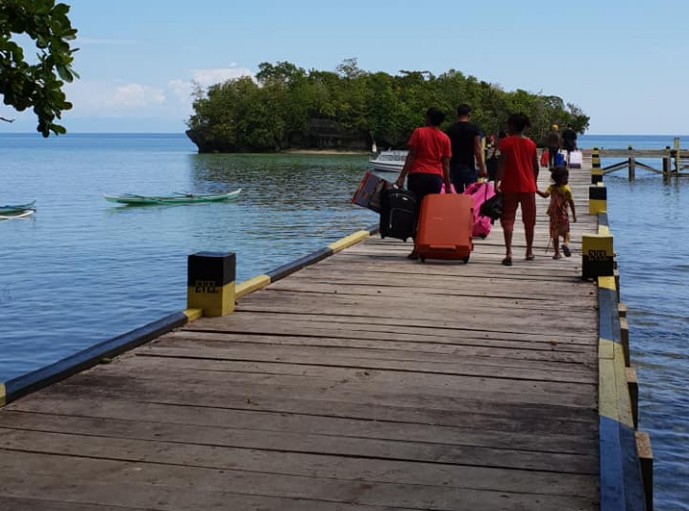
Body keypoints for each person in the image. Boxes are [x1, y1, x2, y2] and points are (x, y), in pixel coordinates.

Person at [395, 107, 452, 259]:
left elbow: (412, 155)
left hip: (417, 175)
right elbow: (446, 164)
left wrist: (401, 177)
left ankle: (416, 248)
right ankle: (426, 245)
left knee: (415, 212)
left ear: (427, 118)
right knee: (429, 213)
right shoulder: (445, 138)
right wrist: (447, 185)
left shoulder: (419, 132)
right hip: (435, 178)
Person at [495, 113, 539, 266]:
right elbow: (536, 167)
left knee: (507, 219)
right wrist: (535, 182)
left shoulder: (504, 143)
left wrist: (496, 183)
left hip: (509, 186)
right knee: (529, 220)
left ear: (511, 125)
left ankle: (509, 252)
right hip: (528, 187)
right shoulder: (531, 144)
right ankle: (529, 250)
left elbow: (501, 165)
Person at [445, 104, 487, 192]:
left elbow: (446, 150)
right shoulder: (474, 129)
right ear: (469, 114)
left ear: (457, 114)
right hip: (469, 165)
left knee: (456, 195)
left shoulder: (450, 129)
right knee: (471, 194)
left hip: (454, 166)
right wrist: (482, 167)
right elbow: (477, 149)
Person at [538, 167, 577, 259]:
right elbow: (571, 202)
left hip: (554, 216)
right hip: (563, 216)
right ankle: (565, 244)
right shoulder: (566, 189)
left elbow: (544, 195)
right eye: (565, 178)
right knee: (566, 233)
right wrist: (574, 215)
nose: (567, 179)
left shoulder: (551, 188)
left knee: (555, 235)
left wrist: (535, 190)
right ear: (560, 179)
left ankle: (556, 253)